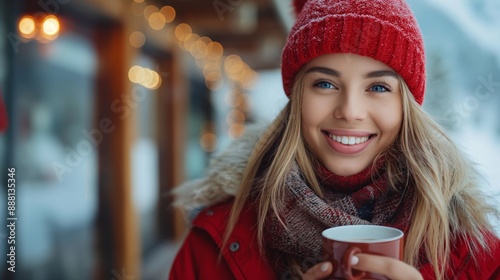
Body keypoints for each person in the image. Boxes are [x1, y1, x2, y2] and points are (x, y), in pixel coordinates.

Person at [169, 0, 500, 279]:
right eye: (325, 84)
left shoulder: (473, 250)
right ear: (297, 98)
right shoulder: (215, 241)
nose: (350, 111)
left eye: (379, 87)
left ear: (406, 108)